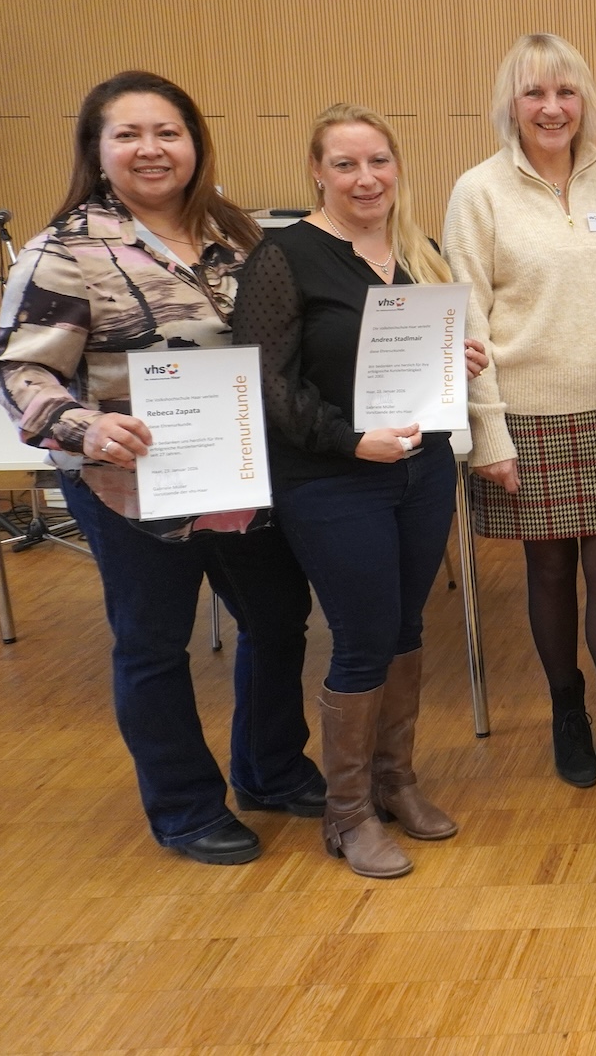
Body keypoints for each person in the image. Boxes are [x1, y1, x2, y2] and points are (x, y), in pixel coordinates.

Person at [0, 71, 322, 864]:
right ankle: (184, 806)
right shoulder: (64, 250)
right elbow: (20, 369)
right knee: (153, 645)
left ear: (194, 143)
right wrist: (85, 427)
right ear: (97, 149)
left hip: (240, 475)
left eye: (168, 132)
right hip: (131, 485)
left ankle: (270, 768)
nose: (151, 149)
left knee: (279, 620)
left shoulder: (236, 235)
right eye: (129, 134)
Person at [232, 104, 489, 877]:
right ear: (317, 171)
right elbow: (266, 383)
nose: (365, 177)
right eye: (345, 164)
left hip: (422, 467)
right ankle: (346, 812)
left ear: (397, 165)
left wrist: (458, 360)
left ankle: (394, 780)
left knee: (407, 625)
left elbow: (423, 355)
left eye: (378, 160)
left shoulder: (418, 248)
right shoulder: (283, 257)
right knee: (364, 634)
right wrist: (350, 440)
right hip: (333, 478)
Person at [443, 34, 596, 809]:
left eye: (566, 92)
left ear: (585, 101)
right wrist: (488, 431)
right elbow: (468, 322)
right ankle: (567, 708)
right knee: (548, 571)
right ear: (511, 103)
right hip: (527, 417)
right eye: (535, 93)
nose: (552, 108)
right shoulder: (478, 192)